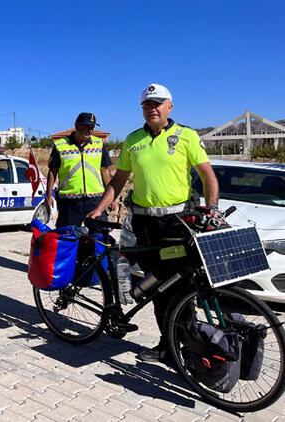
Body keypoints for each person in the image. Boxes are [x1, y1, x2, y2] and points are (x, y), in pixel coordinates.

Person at [86, 83, 220, 362]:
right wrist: (99, 208)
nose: (152, 108)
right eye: (147, 105)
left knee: (181, 285)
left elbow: (208, 176)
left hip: (177, 223)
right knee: (158, 288)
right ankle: (168, 346)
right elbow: (119, 180)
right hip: (145, 225)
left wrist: (212, 209)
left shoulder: (186, 136)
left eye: (157, 103)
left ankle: (187, 344)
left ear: (170, 106)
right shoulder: (133, 140)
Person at [45, 112, 114, 227]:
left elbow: (105, 171)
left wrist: (112, 197)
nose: (89, 130)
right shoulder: (60, 145)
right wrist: (48, 195)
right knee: (67, 238)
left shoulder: (99, 144)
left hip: (96, 200)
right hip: (70, 201)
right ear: (77, 125)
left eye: (92, 127)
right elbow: (53, 171)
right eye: (86, 126)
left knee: (100, 237)